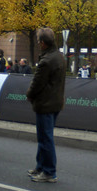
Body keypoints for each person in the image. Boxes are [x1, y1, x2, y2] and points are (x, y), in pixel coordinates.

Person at [26, 28, 66, 183]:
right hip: (55, 101)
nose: (38, 43)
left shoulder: (46, 61)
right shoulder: (59, 56)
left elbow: (37, 83)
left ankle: (49, 171)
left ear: (43, 43)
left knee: (45, 138)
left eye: (38, 41)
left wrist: (29, 94)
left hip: (45, 103)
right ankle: (41, 166)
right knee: (44, 136)